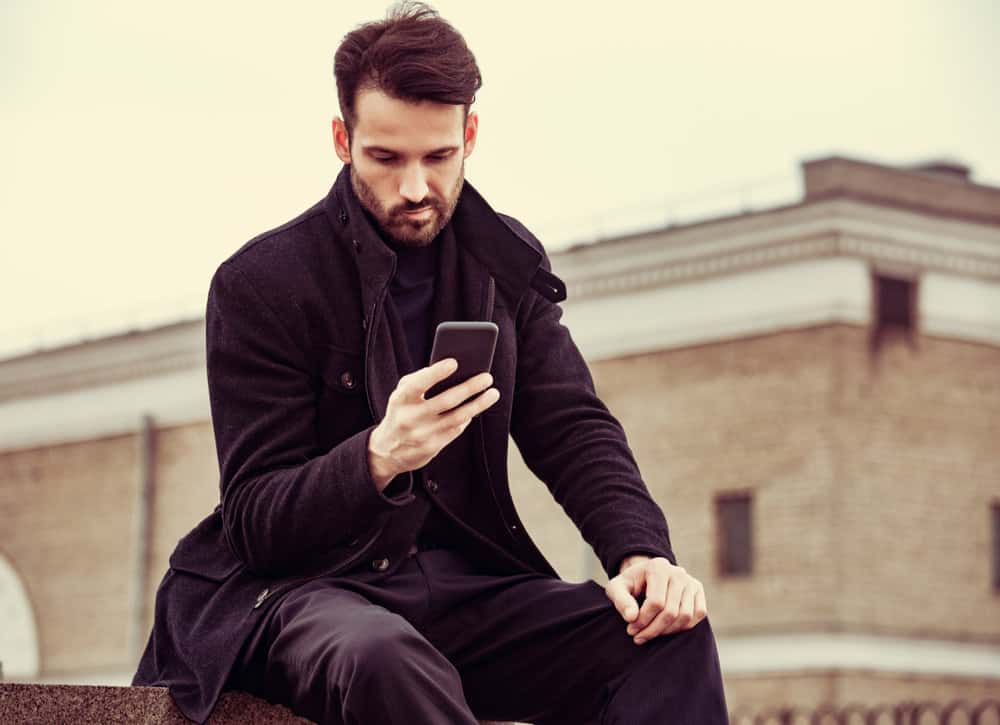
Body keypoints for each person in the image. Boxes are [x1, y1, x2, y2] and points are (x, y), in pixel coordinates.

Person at [133, 3, 729, 723]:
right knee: (384, 655)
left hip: (461, 588)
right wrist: (377, 458)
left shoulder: (506, 262)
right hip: (303, 595)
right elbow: (256, 518)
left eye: (438, 156)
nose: (415, 187)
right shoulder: (262, 282)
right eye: (386, 157)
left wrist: (640, 552)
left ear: (469, 134)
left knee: (667, 635)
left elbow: (570, 423)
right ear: (341, 139)